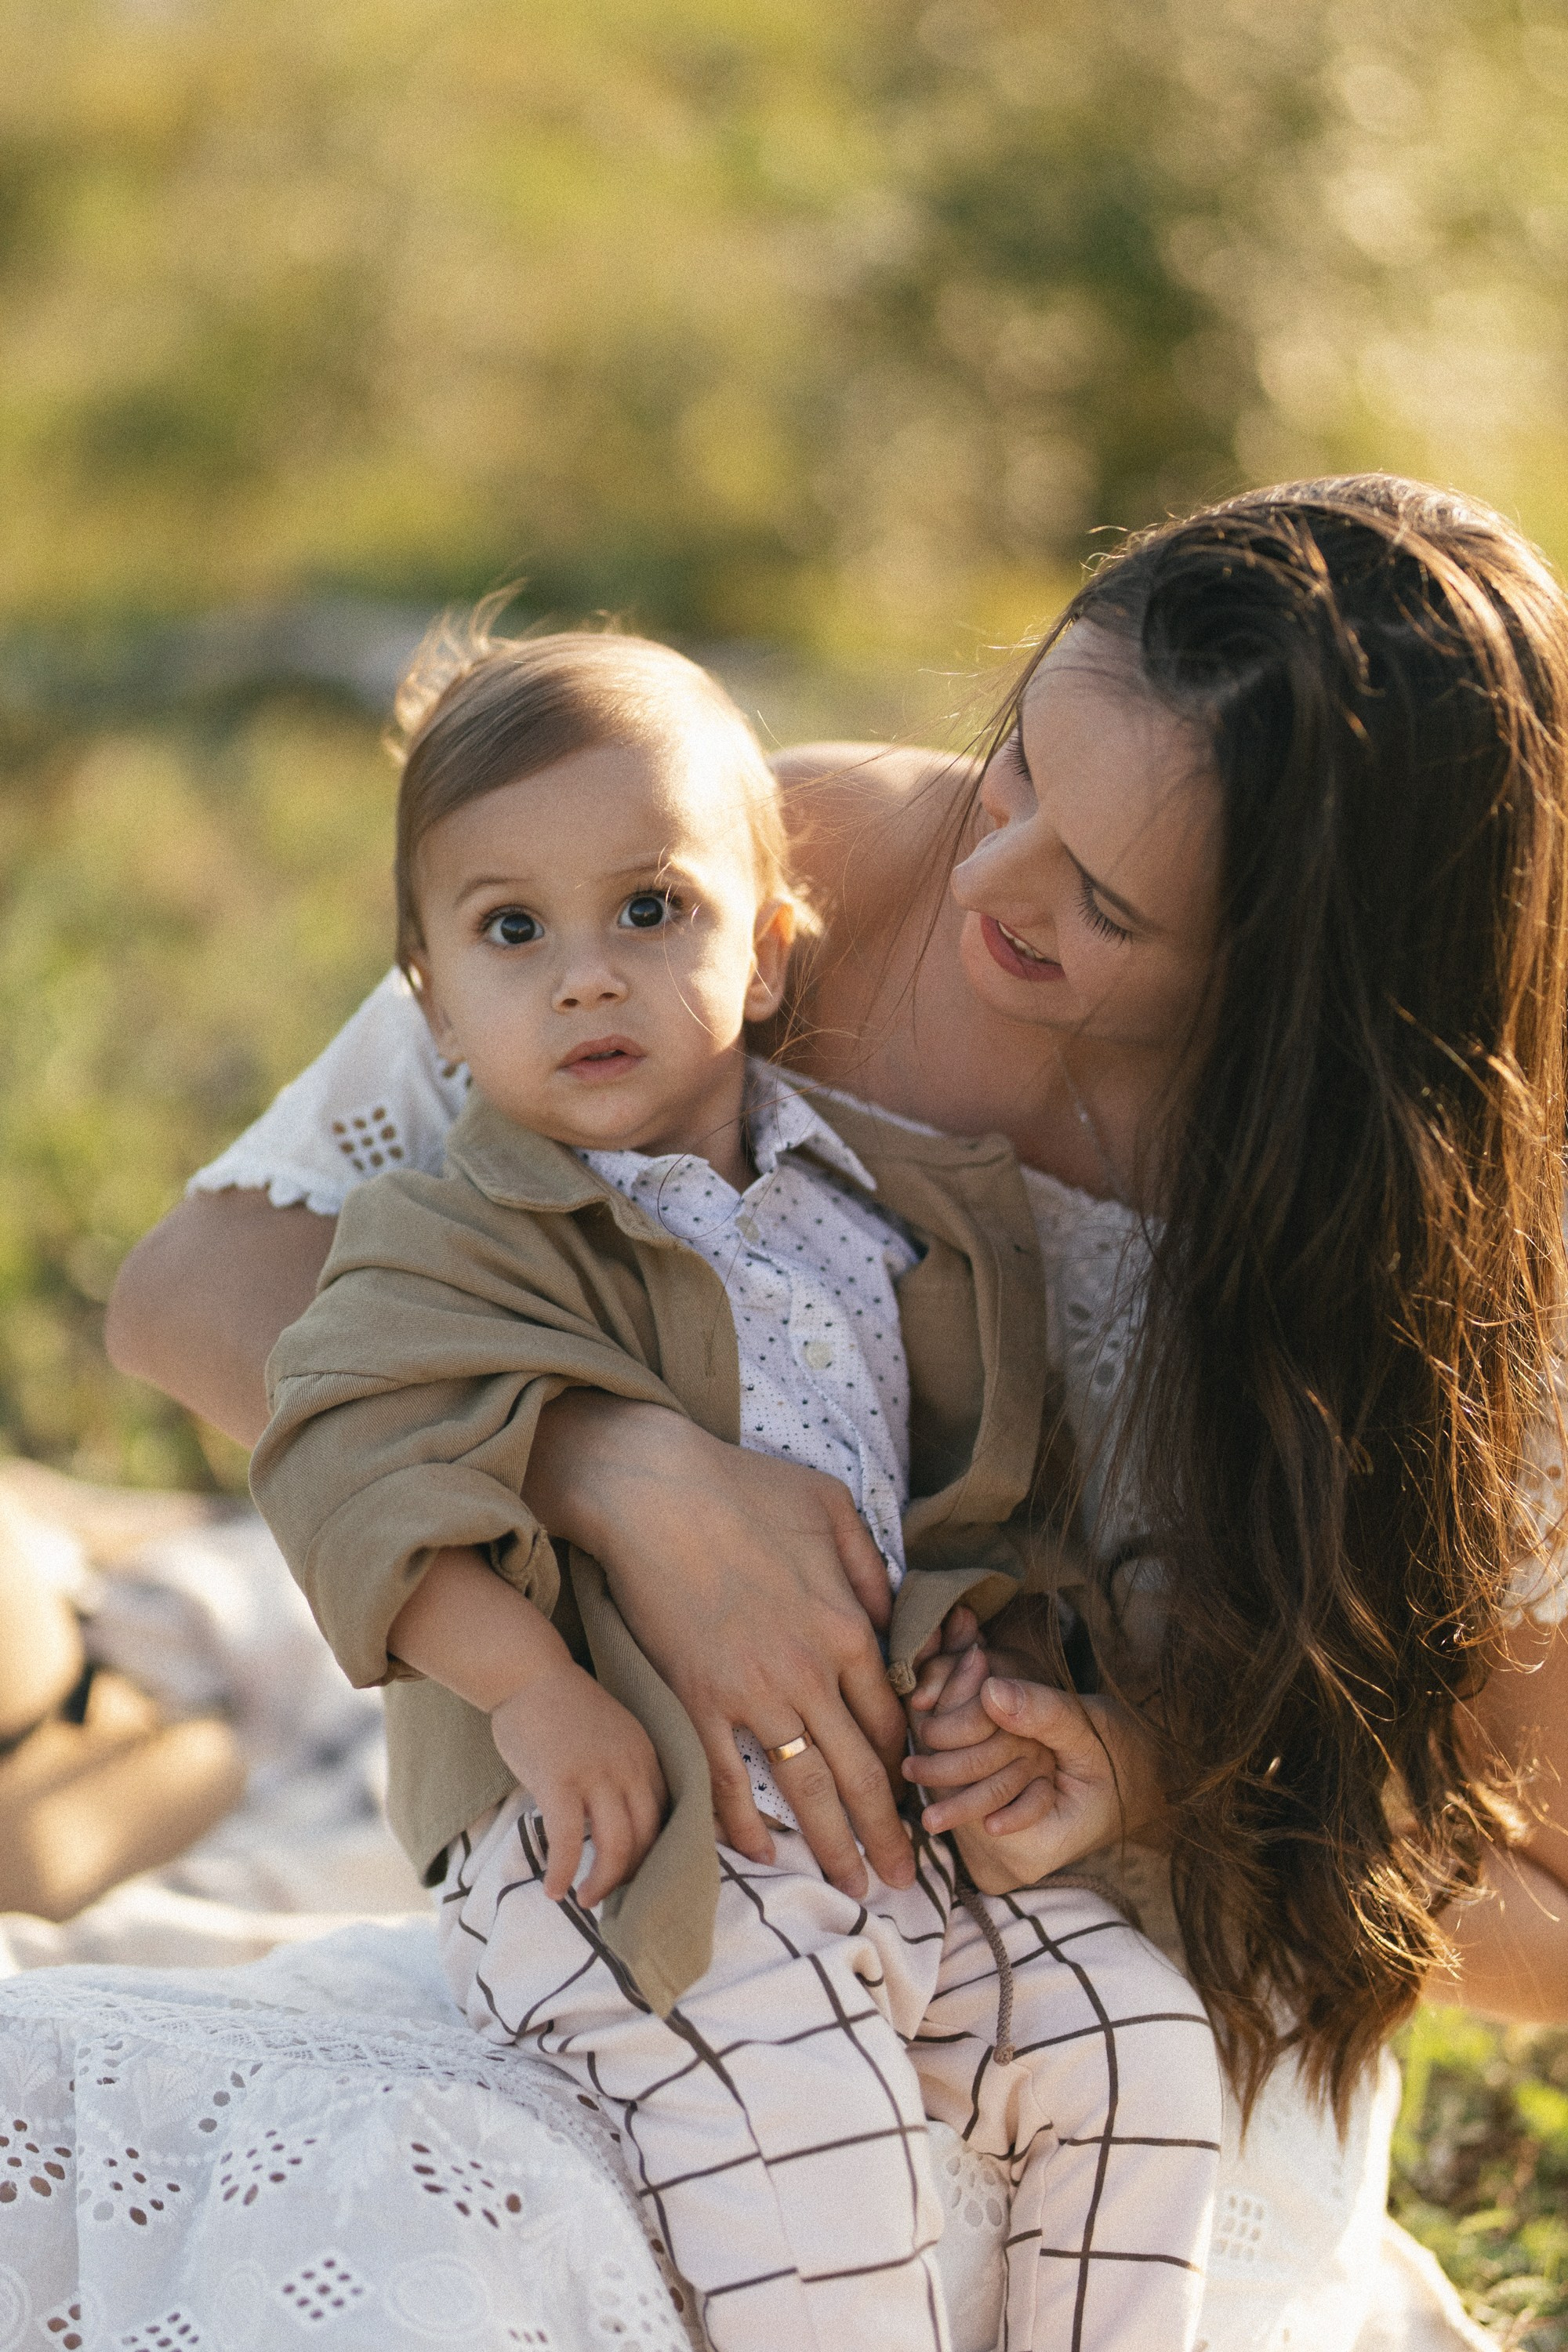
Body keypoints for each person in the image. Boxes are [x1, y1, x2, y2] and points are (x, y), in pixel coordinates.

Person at [107, 475, 1568, 2350]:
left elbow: (1537, 1908)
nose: (989, 882)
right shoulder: (753, 876)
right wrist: (615, 1469)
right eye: (1018, 768)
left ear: (1308, 974)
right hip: (692, 1884)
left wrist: (1158, 1790)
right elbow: (198, 1290)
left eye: (1103, 899)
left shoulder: (1476, 1257)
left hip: (1118, 2000)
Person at [246, 625, 1222, 2352]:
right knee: (815, 2149)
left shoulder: (882, 1211)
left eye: (650, 910)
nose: (585, 978)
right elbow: (349, 1455)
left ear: (767, 955)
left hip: (886, 1830)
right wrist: (533, 1690)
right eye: (511, 931)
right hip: (621, 1837)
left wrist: (994, 1667)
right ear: (435, 1004)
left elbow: (975, 1502)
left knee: (1134, 2048)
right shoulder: (456, 1230)